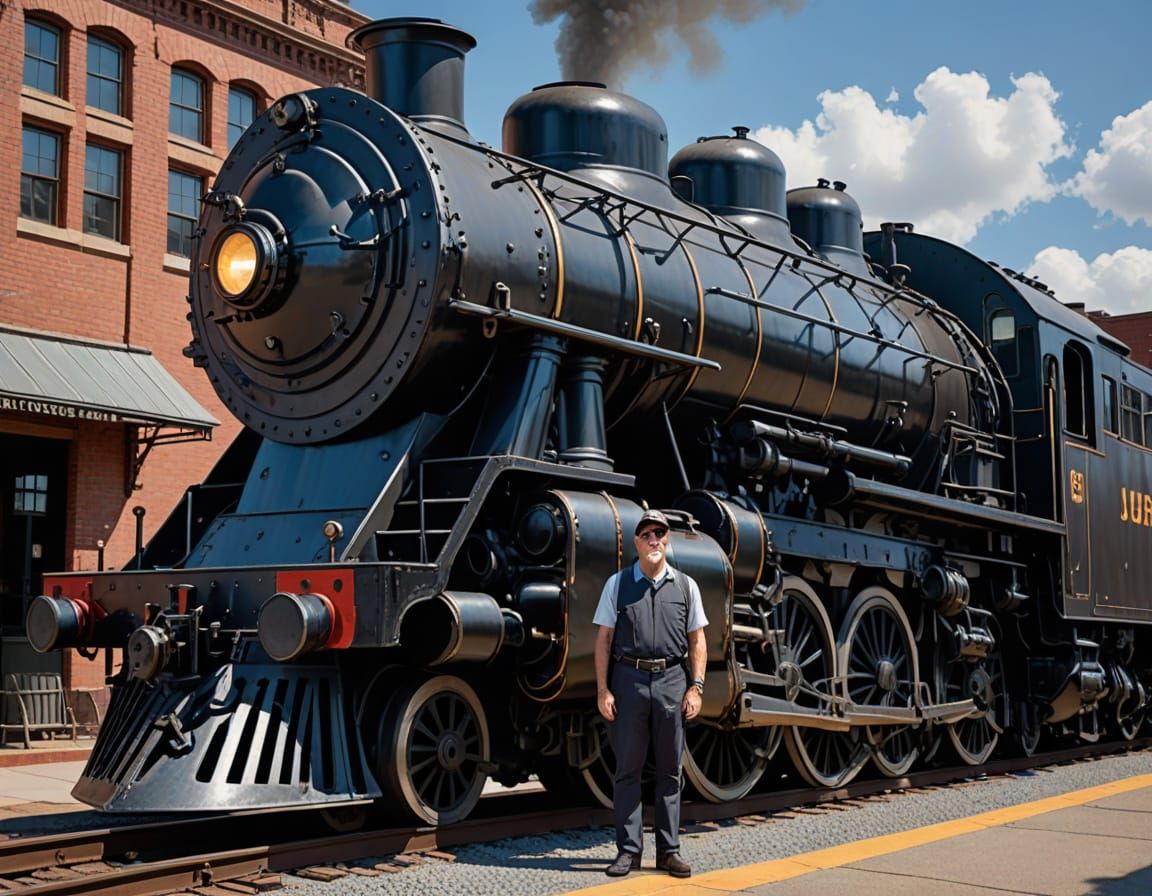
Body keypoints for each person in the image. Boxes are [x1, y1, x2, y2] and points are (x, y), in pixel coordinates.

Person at [592, 508, 708, 879]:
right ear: (636, 543)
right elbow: (603, 640)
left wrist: (697, 686)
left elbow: (698, 640)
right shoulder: (618, 584)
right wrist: (602, 690)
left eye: (659, 533)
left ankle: (668, 852)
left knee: (670, 771)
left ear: (667, 539)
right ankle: (628, 852)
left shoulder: (687, 586)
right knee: (627, 769)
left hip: (673, 679)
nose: (653, 539)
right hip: (629, 680)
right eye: (646, 534)